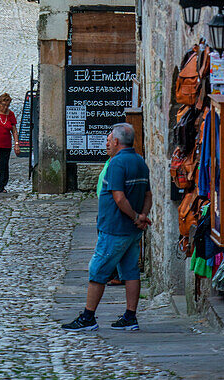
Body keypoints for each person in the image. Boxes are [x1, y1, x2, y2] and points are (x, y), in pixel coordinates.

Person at [62, 123, 152, 332]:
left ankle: (88, 317)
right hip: (132, 230)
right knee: (130, 272)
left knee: (97, 271)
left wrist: (135, 216)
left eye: (109, 140)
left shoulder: (117, 164)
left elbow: (118, 198)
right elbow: (148, 195)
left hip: (115, 228)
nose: (107, 143)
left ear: (118, 142)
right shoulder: (140, 161)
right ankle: (130, 317)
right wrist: (142, 216)